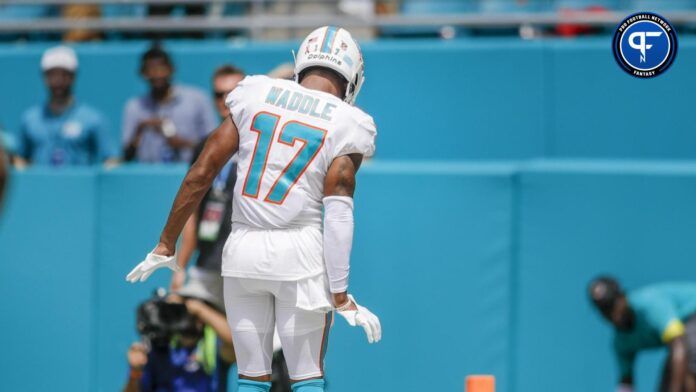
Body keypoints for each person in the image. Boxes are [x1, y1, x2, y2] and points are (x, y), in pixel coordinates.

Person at [127, 25, 382, 392]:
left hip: (242, 247)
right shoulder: (349, 122)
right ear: (353, 78)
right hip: (301, 252)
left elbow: (202, 171)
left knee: (252, 377)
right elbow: (339, 210)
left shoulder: (256, 91)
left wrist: (165, 244)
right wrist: (341, 294)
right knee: (307, 376)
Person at [14, 46, 119, 168]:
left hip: (80, 186)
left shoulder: (93, 118)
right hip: (40, 185)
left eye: (64, 75)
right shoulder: (30, 118)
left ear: (74, 77)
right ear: (44, 78)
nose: (58, 81)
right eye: (52, 75)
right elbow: (20, 159)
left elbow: (111, 159)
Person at [588, 277, 696, 392]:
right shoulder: (621, 342)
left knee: (686, 365)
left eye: (612, 304)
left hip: (692, 313)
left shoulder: (650, 307)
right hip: (682, 333)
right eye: (605, 310)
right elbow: (626, 382)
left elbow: (678, 346)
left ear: (623, 297)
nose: (611, 313)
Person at [122, 45, 217, 163]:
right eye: (150, 69)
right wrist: (140, 128)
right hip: (150, 175)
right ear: (142, 73)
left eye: (161, 68)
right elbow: (126, 155)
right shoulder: (134, 107)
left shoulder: (198, 100)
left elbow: (214, 145)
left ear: (172, 69)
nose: (156, 74)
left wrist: (182, 143)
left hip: (190, 171)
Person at [123, 294, 235, 392]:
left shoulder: (210, 346)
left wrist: (200, 309)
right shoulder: (156, 352)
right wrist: (135, 372)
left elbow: (235, 342)